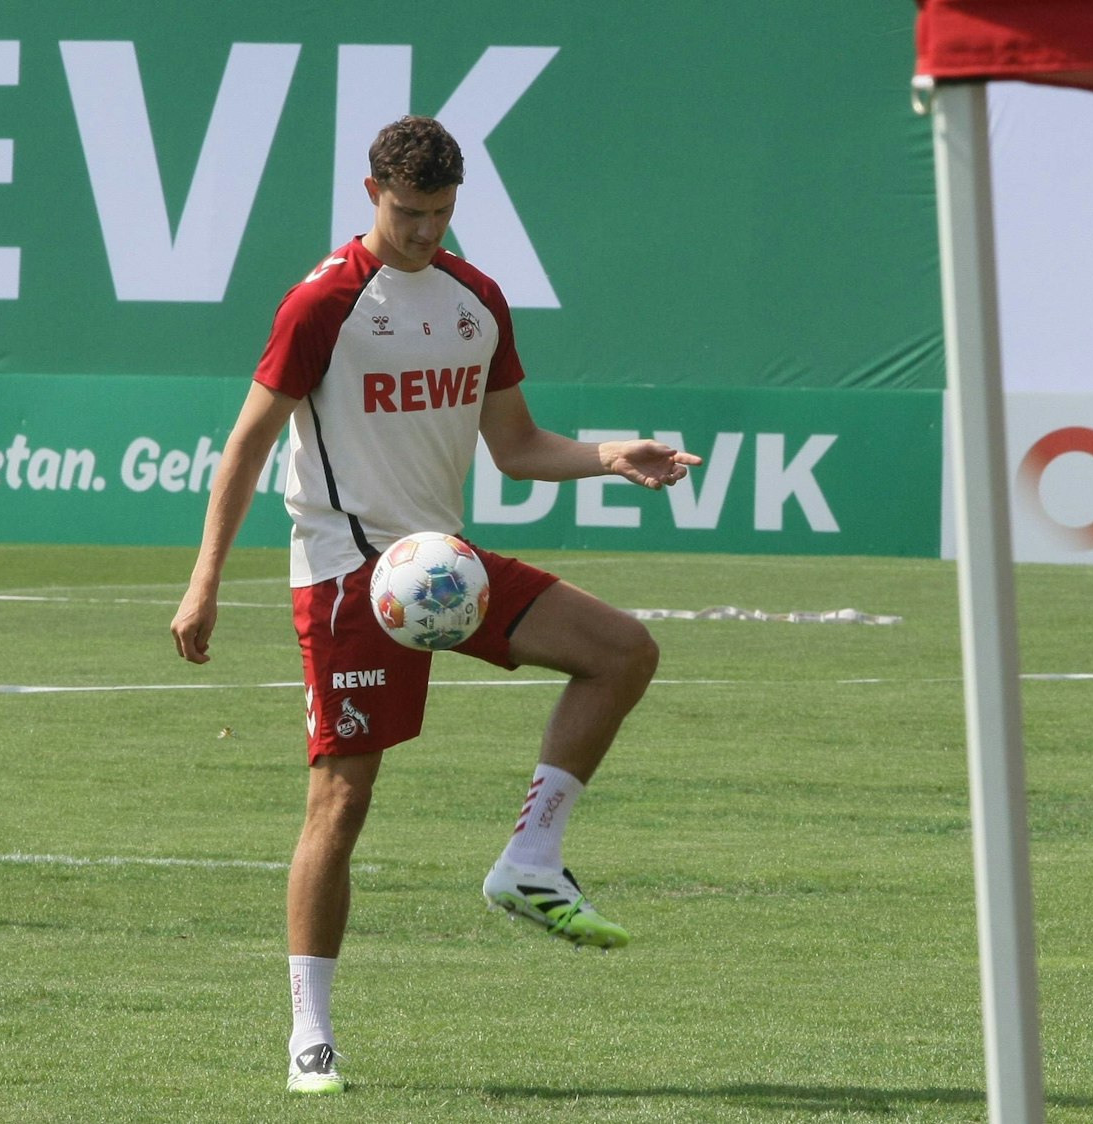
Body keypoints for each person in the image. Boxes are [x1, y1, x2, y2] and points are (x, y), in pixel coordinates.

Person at [170, 115, 700, 1096]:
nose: (423, 234)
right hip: (345, 576)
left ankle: (530, 861)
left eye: (441, 215)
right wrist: (206, 578)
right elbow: (247, 443)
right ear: (370, 189)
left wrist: (607, 454)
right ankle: (310, 1033)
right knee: (342, 799)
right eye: (408, 214)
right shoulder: (323, 300)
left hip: (442, 568)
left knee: (623, 650)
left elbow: (518, 446)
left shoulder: (476, 298)